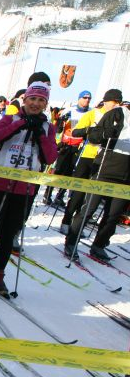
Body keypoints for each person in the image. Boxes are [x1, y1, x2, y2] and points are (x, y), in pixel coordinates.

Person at [0, 81, 57, 298]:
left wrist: (40, 135)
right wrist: (20, 125)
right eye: (32, 99)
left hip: (24, 190)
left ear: (45, 104)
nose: (35, 103)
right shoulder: (10, 118)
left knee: (8, 236)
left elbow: (51, 157)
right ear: (24, 100)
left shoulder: (47, 127)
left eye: (40, 100)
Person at [64, 93, 130, 261]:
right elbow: (94, 136)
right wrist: (106, 133)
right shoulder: (118, 113)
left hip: (126, 176)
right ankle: (71, 241)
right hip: (106, 168)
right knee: (89, 209)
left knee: (113, 215)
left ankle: (99, 245)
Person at [44, 90, 91, 206]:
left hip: (78, 146)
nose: (87, 100)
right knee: (58, 170)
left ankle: (60, 196)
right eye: (84, 97)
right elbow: (58, 129)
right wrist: (61, 120)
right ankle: (47, 194)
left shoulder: (91, 112)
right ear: (79, 98)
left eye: (89, 98)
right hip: (65, 145)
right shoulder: (70, 110)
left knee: (70, 172)